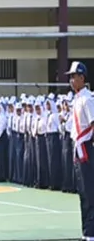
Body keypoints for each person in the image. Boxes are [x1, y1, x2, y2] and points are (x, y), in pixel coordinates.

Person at [65, 61, 94, 240]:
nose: (71, 80)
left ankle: (91, 232)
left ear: (82, 78)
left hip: (86, 148)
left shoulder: (88, 99)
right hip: (78, 148)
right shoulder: (77, 99)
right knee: (82, 192)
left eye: (73, 76)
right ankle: (86, 231)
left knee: (90, 192)